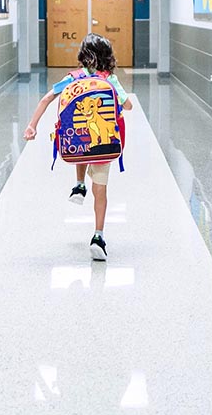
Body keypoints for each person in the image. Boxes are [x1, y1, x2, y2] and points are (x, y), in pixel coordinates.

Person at [24, 33, 134, 261]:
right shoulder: (110, 80)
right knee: (101, 189)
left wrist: (31, 126)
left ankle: (79, 184)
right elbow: (128, 106)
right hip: (104, 144)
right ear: (108, 57)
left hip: (77, 143)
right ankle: (98, 236)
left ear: (84, 56)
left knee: (80, 142)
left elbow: (46, 99)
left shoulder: (73, 78)